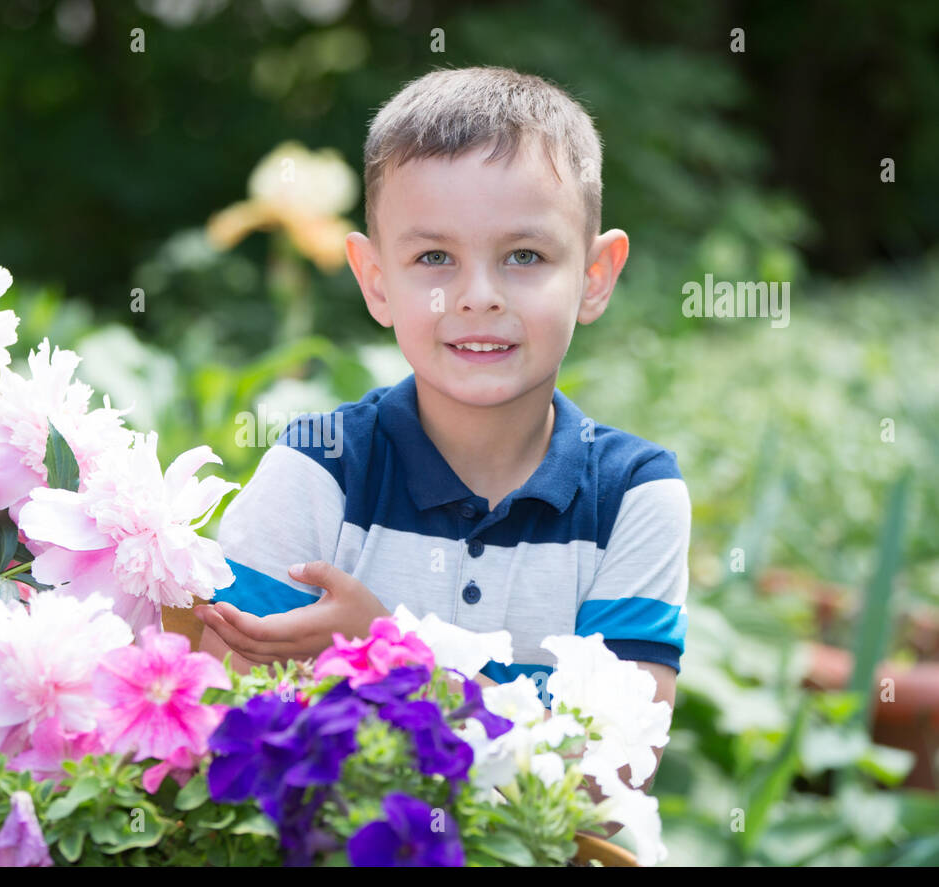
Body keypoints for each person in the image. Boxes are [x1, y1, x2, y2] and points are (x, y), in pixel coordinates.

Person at [194, 66, 688, 801]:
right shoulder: (317, 468)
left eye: (525, 256)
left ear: (594, 275)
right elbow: (221, 734)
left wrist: (395, 660)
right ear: (375, 279)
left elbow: (605, 788)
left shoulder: (634, 498)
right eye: (434, 258)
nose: (477, 297)